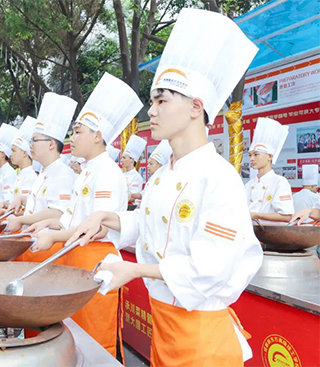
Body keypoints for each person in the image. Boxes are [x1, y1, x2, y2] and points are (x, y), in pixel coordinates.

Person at [65, 9, 262, 366]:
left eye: (162, 100)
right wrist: (107, 217)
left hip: (202, 341)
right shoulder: (162, 175)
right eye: (153, 101)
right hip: (165, 329)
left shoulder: (219, 178)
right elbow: (149, 226)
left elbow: (209, 268)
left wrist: (136, 270)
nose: (151, 112)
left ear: (195, 108)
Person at [28, 72, 144, 360]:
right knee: (74, 337)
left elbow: (96, 226)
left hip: (96, 262)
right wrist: (46, 223)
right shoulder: (86, 172)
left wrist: (53, 234)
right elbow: (69, 218)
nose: (72, 138)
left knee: (96, 338)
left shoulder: (106, 172)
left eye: (78, 131)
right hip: (74, 259)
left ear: (97, 136)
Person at [6, 92, 77, 263]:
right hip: (33, 243)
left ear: (51, 144)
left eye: (34, 141)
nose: (30, 146)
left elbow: (58, 212)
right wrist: (22, 199)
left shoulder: (63, 174)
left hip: (49, 250)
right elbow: (39, 206)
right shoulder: (44, 172)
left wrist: (21, 219)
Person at [245, 118, 294, 224]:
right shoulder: (249, 184)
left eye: (256, 154)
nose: (251, 159)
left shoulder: (280, 182)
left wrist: (256, 215)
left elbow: (286, 216)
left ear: (269, 156)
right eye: (250, 155)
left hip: (271, 237)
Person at [0, 116, 38, 218]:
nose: (10, 154)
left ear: (25, 153)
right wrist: (4, 205)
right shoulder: (20, 174)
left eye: (13, 150)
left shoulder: (30, 177)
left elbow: (26, 210)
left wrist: (3, 211)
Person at [121, 135, 147, 205]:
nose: (121, 160)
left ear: (132, 160)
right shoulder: (122, 175)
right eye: (121, 158)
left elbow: (132, 197)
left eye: (124, 158)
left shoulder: (136, 177)